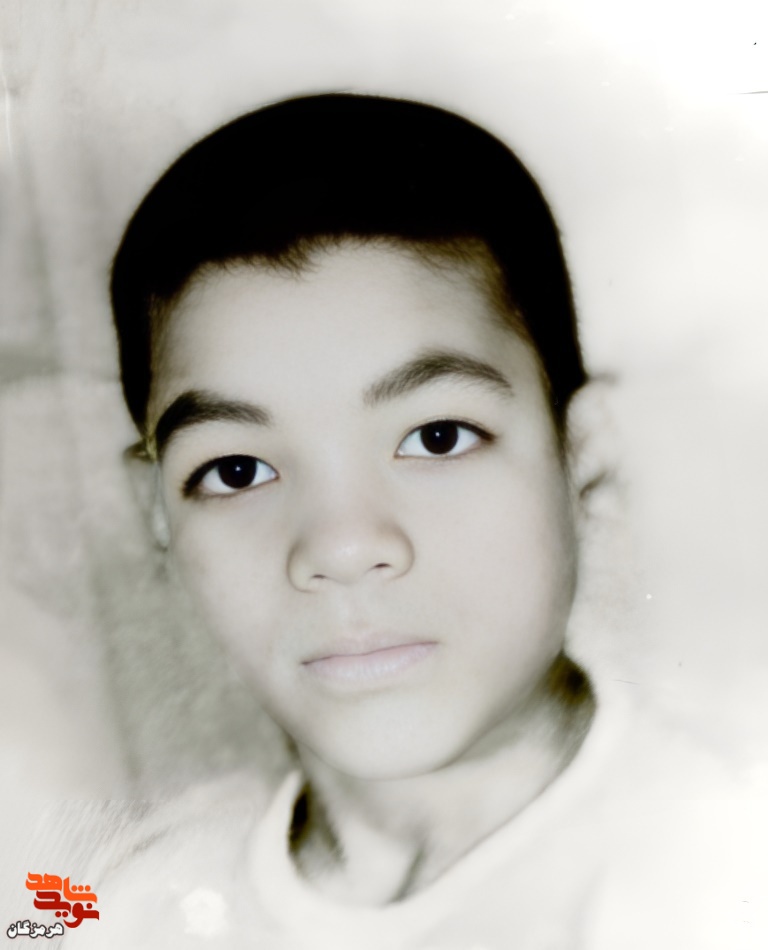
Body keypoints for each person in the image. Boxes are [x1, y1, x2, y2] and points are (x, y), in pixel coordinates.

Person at [71, 93, 765, 949]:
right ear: (155, 512)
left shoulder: (726, 869)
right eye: (237, 470)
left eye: (438, 438)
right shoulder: (117, 911)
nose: (342, 545)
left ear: (581, 450)